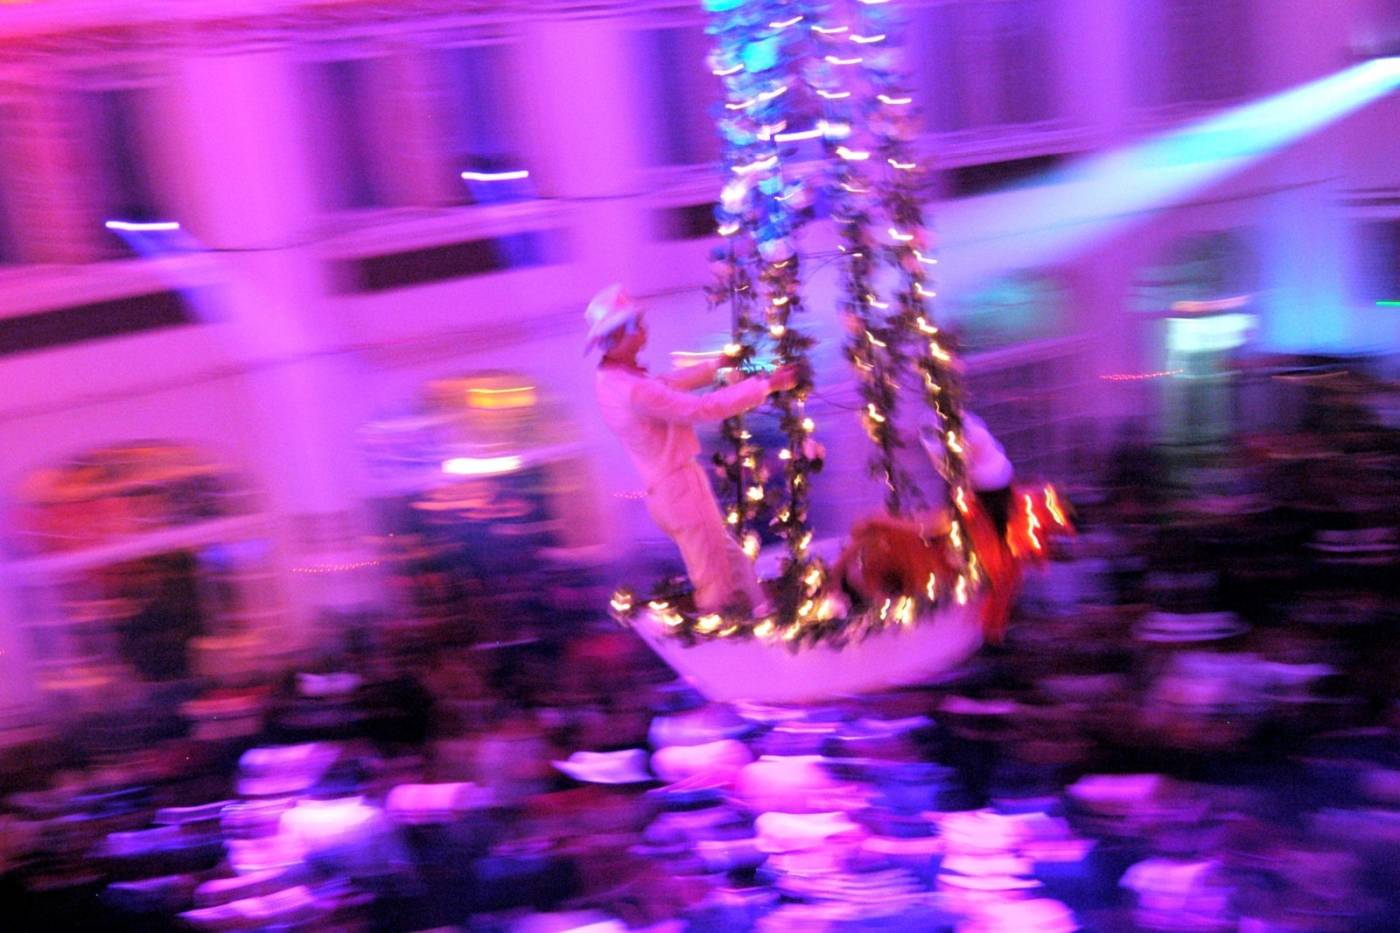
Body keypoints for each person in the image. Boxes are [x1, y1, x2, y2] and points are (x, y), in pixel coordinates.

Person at [587, 284, 798, 614]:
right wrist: (766, 385)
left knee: (734, 564)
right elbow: (699, 409)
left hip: (668, 490)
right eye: (637, 324)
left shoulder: (614, 380)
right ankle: (727, 639)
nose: (645, 329)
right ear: (619, 335)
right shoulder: (633, 390)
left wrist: (717, 365)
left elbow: (666, 385)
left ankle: (761, 619)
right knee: (715, 582)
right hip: (681, 488)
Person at [919, 411, 1014, 536]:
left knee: (983, 519)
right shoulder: (972, 424)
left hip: (983, 482)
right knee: (1000, 516)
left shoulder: (948, 440)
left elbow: (947, 467)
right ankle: (1002, 533)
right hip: (1000, 473)